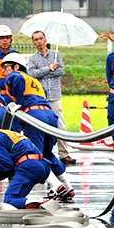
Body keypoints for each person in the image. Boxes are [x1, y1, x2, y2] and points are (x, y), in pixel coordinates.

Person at [1, 53, 74, 201]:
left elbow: (17, 80)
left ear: (16, 67)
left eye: (5, 67)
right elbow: (44, 94)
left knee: (33, 155)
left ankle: (56, 186)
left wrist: (19, 103)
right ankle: (68, 186)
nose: (3, 71)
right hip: (50, 115)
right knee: (47, 153)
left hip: (34, 115)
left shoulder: (16, 75)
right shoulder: (34, 81)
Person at [27, 31, 76, 165]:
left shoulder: (56, 55)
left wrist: (43, 70)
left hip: (54, 95)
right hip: (39, 97)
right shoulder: (32, 58)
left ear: (45, 39)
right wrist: (49, 68)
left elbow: (61, 71)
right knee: (38, 126)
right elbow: (32, 74)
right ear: (33, 42)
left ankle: (64, 154)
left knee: (60, 125)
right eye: (36, 39)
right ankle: (38, 153)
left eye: (41, 38)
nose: (39, 42)